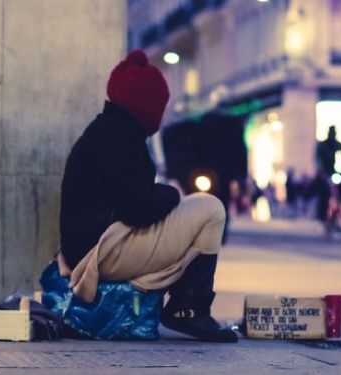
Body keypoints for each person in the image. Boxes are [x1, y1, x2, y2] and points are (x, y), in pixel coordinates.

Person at [58, 50, 237, 342]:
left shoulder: (110, 130)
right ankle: (188, 308)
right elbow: (137, 208)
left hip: (98, 245)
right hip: (98, 254)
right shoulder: (118, 136)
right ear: (147, 105)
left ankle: (186, 305)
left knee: (199, 205)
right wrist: (171, 194)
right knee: (211, 208)